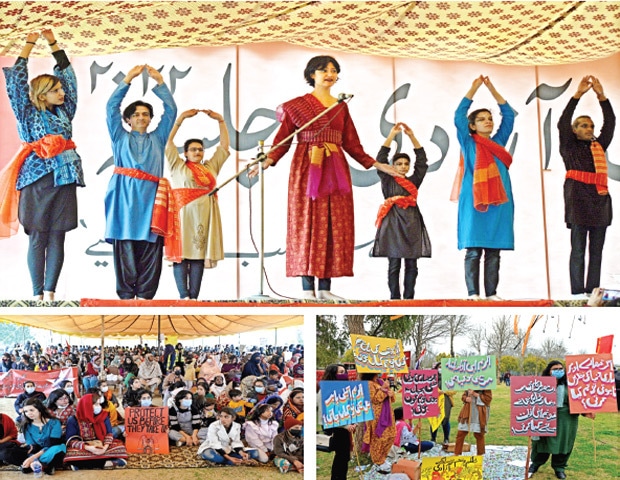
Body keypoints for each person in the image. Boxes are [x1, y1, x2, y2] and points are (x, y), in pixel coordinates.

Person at [249, 55, 402, 300]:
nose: (329, 74)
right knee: (307, 223)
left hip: (336, 169)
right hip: (307, 167)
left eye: (334, 70)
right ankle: (307, 289)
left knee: (333, 223)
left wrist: (378, 165)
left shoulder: (341, 106)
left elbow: (352, 144)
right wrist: (266, 161)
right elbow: (283, 141)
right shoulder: (296, 106)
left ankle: (325, 288)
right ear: (311, 75)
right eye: (323, 70)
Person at [0, 30, 83, 301]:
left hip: (65, 175)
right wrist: (29, 44)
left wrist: (53, 44)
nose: (62, 93)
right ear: (42, 94)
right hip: (36, 178)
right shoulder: (27, 112)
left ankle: (50, 293)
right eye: (55, 90)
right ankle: (36, 293)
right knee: (38, 236)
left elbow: (69, 78)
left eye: (60, 90)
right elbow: (16, 83)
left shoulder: (65, 111)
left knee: (58, 236)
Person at [104, 63, 177, 300]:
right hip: (123, 196)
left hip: (151, 199)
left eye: (145, 114)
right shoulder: (119, 136)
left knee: (151, 243)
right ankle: (126, 296)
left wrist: (160, 83)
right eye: (135, 114)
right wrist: (127, 79)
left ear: (150, 119)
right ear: (127, 119)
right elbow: (111, 107)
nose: (141, 117)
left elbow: (172, 110)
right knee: (125, 241)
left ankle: (146, 296)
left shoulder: (158, 137)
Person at [453, 75, 515, 300]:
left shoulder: (498, 142)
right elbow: (458, 116)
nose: (488, 121)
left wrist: (492, 89)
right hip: (474, 200)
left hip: (500, 200)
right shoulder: (467, 141)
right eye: (482, 119)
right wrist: (474, 88)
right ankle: (473, 293)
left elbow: (508, 116)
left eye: (489, 118)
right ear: (472, 125)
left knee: (494, 250)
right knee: (473, 250)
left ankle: (492, 294)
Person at [557, 76, 615, 298]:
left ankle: (592, 291)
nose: (589, 128)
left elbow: (610, 123)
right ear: (574, 130)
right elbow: (563, 121)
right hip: (578, 199)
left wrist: (602, 97)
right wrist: (577, 95)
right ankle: (576, 292)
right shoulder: (569, 145)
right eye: (583, 125)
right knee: (579, 249)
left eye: (591, 125)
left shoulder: (599, 145)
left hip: (600, 201)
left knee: (597, 251)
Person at [165, 109, 231, 299]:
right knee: (182, 255)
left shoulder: (210, 167)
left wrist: (221, 121)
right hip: (183, 216)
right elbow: (168, 143)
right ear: (185, 152)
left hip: (205, 216)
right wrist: (180, 120)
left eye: (200, 149)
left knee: (198, 256)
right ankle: (183, 295)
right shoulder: (178, 166)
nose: (197, 152)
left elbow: (224, 147)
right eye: (193, 149)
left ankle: (194, 297)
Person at [372, 122, 431, 299]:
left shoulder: (414, 181)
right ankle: (394, 298)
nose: (403, 166)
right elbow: (380, 159)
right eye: (399, 163)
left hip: (412, 222)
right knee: (394, 264)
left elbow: (422, 161)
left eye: (406, 164)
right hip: (392, 223)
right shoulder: (387, 179)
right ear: (393, 166)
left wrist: (412, 137)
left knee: (412, 264)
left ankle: (409, 299)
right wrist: (391, 136)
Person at [529, 361, 594, 479]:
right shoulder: (540, 384)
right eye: (555, 368)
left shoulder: (571, 385)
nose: (559, 370)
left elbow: (579, 402)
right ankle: (536, 464)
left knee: (563, 444)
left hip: (566, 420)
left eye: (561, 368)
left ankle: (559, 467)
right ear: (549, 371)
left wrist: (586, 412)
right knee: (541, 442)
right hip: (545, 417)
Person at [64, 393, 128, 470]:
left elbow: (109, 434)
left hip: (101, 444)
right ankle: (108, 463)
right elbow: (71, 440)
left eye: (99, 404)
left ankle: (81, 464)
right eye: (96, 404)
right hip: (84, 446)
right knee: (69, 454)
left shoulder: (103, 416)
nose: (99, 407)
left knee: (120, 448)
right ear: (86, 406)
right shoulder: (73, 419)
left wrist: (104, 448)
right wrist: (88, 448)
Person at [319, 364, 355, 480]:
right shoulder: (325, 390)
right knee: (341, 456)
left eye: (344, 371)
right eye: (340, 372)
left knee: (344, 456)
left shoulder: (346, 388)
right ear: (333, 374)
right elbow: (327, 414)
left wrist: (355, 421)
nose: (343, 374)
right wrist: (345, 425)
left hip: (346, 426)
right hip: (337, 427)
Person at [14, 398, 66, 474]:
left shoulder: (55, 422)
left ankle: (37, 464)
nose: (29, 413)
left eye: (32, 410)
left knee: (56, 450)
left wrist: (32, 458)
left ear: (40, 409)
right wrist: (33, 457)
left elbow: (53, 443)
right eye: (26, 411)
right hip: (37, 450)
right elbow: (32, 446)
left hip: (52, 447)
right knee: (15, 452)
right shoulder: (26, 425)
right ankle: (41, 464)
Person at [361, 372, 396, 473]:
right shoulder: (368, 383)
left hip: (388, 414)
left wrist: (390, 393)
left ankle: (383, 458)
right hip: (376, 417)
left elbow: (391, 398)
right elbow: (374, 399)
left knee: (390, 436)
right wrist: (384, 390)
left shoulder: (380, 381)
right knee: (378, 438)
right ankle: (378, 461)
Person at [454, 389, 492, 455]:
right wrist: (466, 399)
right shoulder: (469, 384)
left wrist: (475, 394)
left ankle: (480, 455)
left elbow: (488, 399)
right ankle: (457, 454)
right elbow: (463, 396)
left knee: (479, 434)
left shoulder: (486, 387)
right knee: (461, 433)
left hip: (479, 413)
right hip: (467, 412)